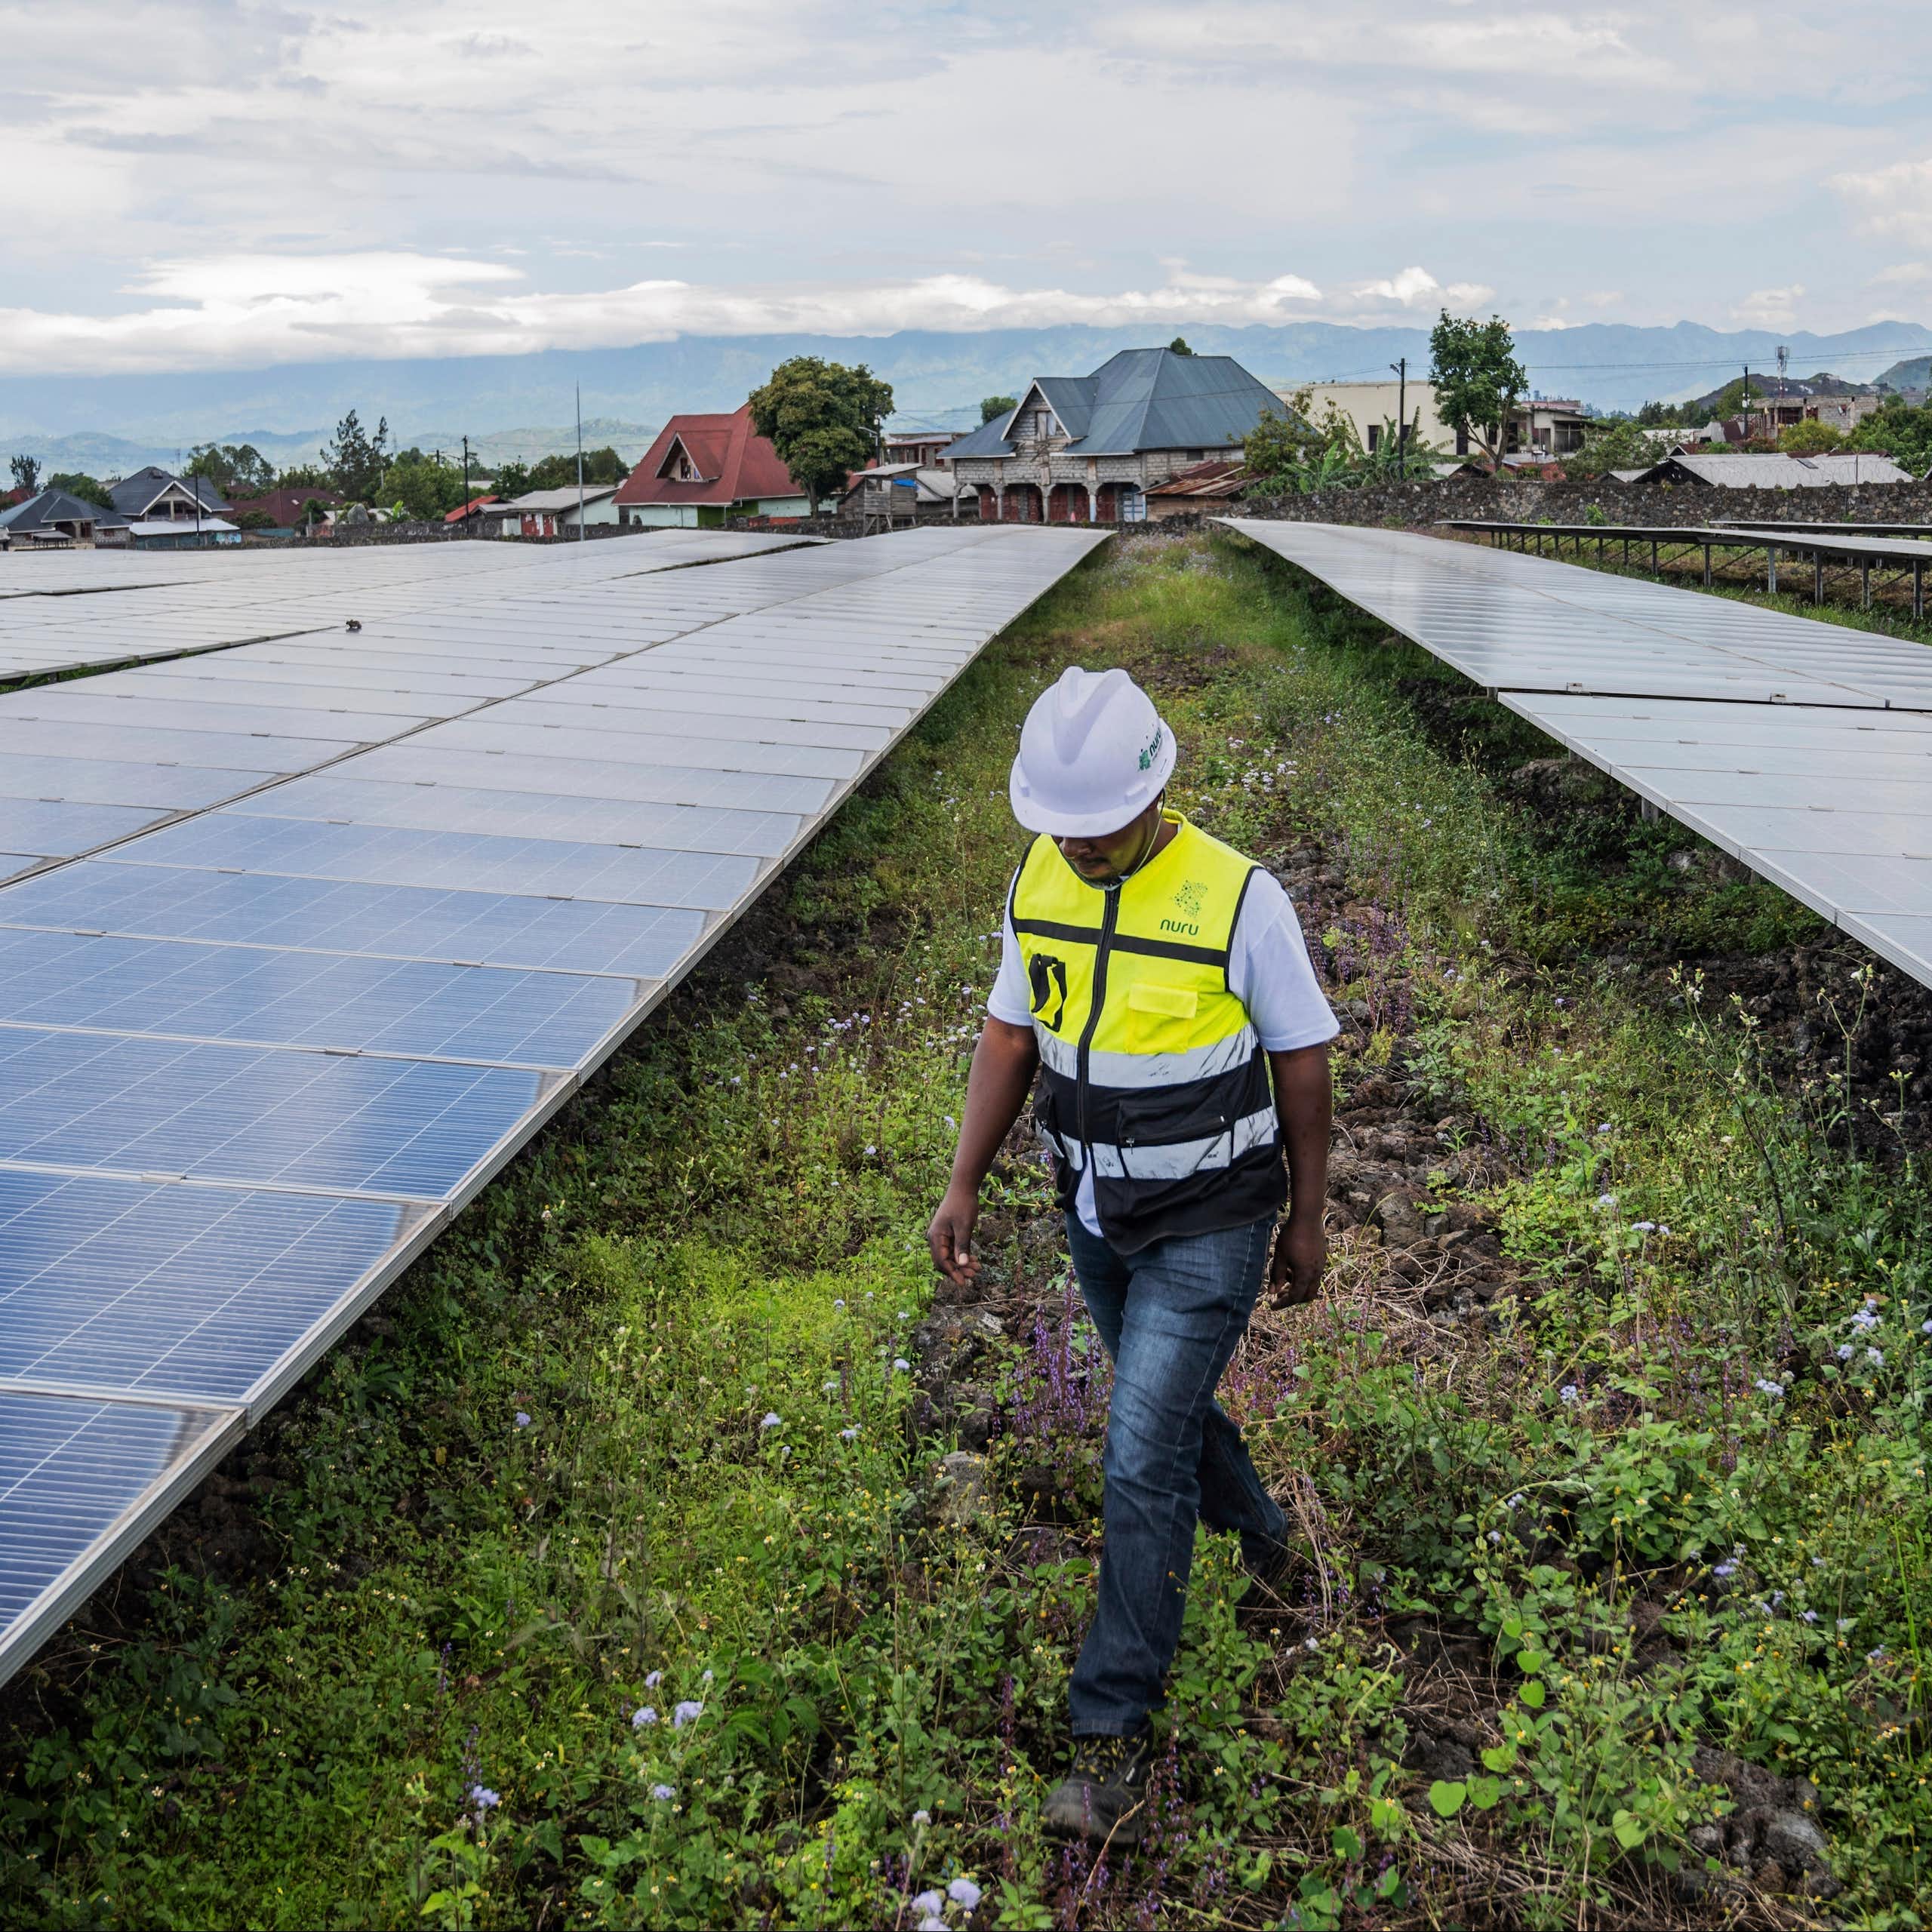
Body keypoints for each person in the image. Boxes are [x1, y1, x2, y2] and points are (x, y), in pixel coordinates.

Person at [929, 664, 1337, 1844]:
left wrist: (1308, 1219)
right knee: (1164, 1414)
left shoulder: (1238, 897)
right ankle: (1266, 1541)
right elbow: (1013, 1031)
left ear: (1157, 789)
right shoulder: (1039, 873)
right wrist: (961, 1183)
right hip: (1097, 1213)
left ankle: (1107, 1740)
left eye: (1100, 828)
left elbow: (1302, 1057)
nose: (1083, 849)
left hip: (1214, 1221)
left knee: (1138, 1448)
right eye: (1063, 829)